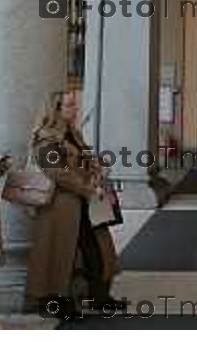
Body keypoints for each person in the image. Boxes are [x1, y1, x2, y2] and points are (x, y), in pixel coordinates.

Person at [24, 91, 123, 317]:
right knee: (59, 257)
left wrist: (96, 169)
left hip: (84, 203)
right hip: (61, 208)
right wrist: (88, 188)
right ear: (56, 110)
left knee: (97, 249)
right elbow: (59, 172)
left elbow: (85, 158)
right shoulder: (45, 138)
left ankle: (99, 296)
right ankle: (57, 304)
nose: (75, 109)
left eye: (74, 105)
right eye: (69, 106)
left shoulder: (73, 134)